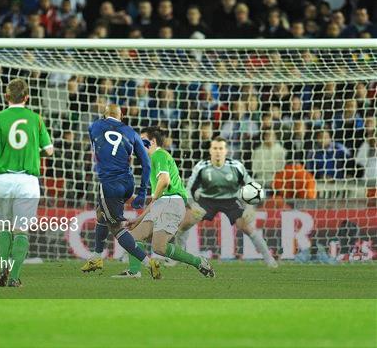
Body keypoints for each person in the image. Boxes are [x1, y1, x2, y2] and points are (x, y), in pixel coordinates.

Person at [115, 126, 214, 278]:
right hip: (163, 202)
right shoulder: (153, 159)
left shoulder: (159, 155)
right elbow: (156, 199)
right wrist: (138, 219)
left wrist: (154, 198)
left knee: (159, 248)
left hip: (172, 202)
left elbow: (164, 180)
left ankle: (198, 262)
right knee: (134, 236)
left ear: (153, 141)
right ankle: (134, 272)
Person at [0, 78, 54, 288]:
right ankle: (14, 277)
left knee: (3, 226)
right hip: (27, 181)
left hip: (3, 179)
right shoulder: (36, 119)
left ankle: (2, 268)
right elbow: (49, 151)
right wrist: (33, 151)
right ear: (27, 97)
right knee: (21, 230)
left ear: (6, 96)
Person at [80, 104, 161, 279]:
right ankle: (96, 257)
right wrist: (141, 192)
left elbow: (96, 143)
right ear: (122, 116)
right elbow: (146, 164)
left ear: (104, 115)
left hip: (109, 183)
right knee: (101, 213)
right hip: (128, 183)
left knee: (116, 227)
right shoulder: (131, 132)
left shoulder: (94, 126)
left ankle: (148, 263)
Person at [179, 137, 278, 268]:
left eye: (220, 148)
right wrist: (193, 205)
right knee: (185, 222)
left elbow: (252, 188)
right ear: (210, 150)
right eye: (215, 148)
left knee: (245, 226)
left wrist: (250, 208)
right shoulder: (201, 167)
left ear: (226, 151)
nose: (218, 151)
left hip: (231, 200)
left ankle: (268, 258)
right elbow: (189, 189)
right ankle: (178, 256)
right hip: (206, 199)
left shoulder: (236, 167)